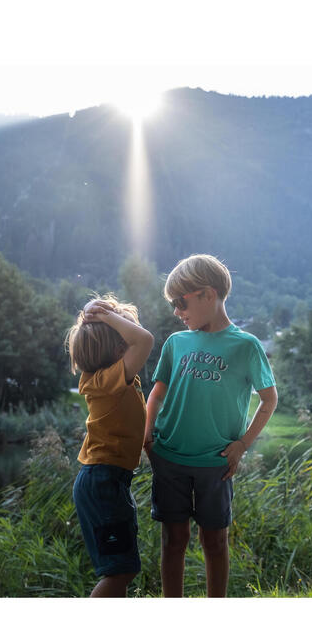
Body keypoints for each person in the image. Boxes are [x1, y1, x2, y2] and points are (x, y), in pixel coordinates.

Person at [144, 254, 278, 597]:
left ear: (207, 294)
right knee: (174, 539)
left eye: (180, 302)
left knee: (214, 540)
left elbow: (269, 399)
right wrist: (147, 436)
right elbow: (156, 394)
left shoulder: (246, 346)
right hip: (170, 458)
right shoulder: (177, 343)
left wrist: (242, 445)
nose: (176, 311)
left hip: (215, 463)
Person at [65, 294, 154, 597]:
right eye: (125, 344)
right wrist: (105, 316)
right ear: (119, 350)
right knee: (120, 570)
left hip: (105, 481)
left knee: (121, 568)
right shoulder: (109, 381)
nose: (132, 348)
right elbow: (144, 341)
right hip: (104, 482)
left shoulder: (107, 382)